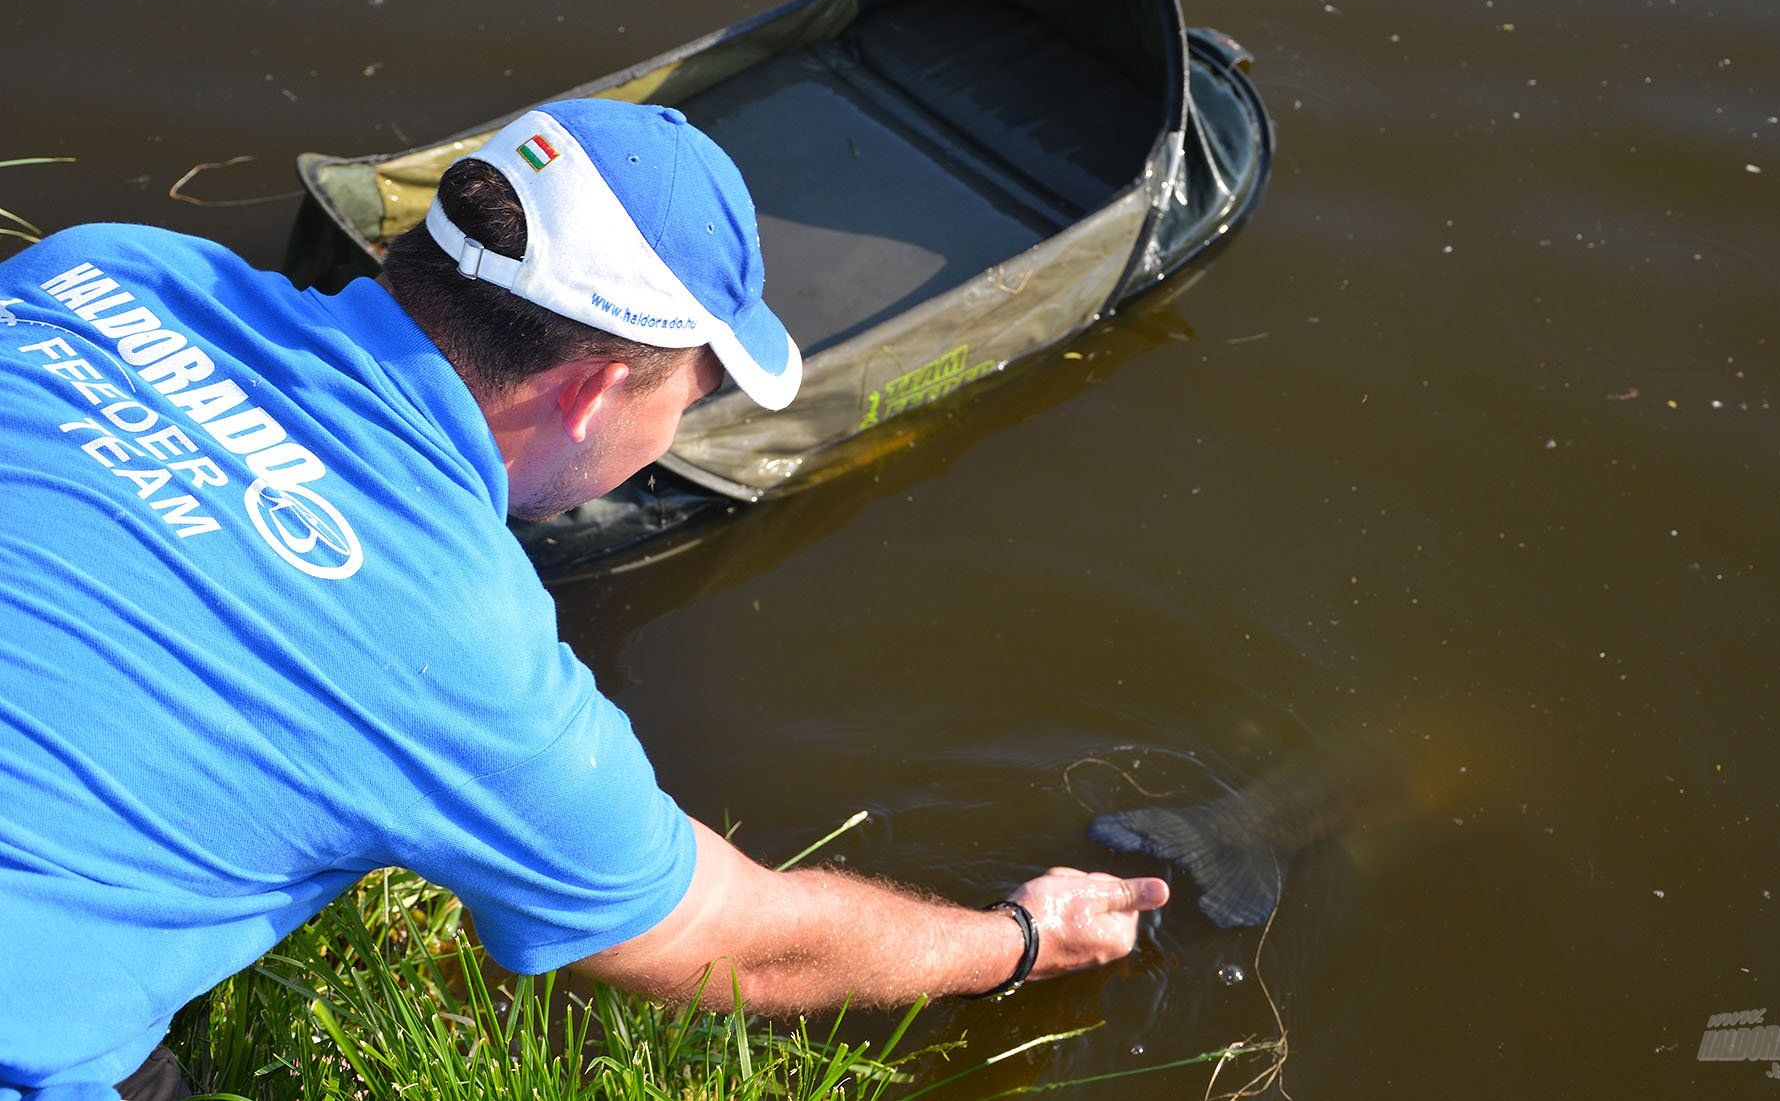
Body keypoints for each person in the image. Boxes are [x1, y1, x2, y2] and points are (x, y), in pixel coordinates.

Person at [0, 99, 1170, 1100]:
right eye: (696, 389)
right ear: (599, 389)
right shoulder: (462, 642)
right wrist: (1021, 938)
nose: (679, 426)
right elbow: (735, 944)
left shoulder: (104, 268)